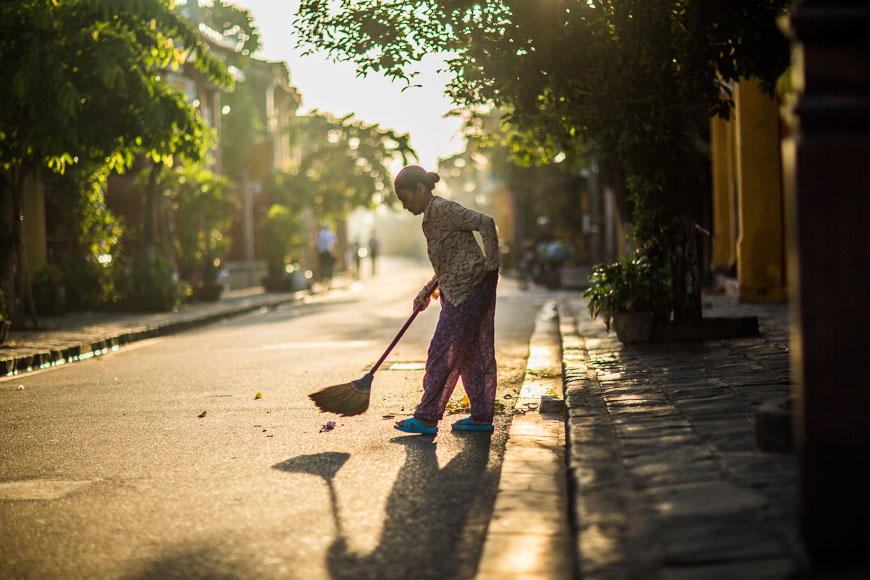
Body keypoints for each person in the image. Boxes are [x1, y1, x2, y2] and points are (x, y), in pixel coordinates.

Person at [392, 165, 500, 435]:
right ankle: (481, 418)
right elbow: (449, 262)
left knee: (442, 351)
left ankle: (427, 417)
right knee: (471, 356)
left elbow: (486, 222)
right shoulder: (429, 218)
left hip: (470, 289)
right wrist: (427, 290)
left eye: (405, 198)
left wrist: (492, 267)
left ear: (420, 189)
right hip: (460, 290)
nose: (405, 205)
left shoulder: (443, 209)